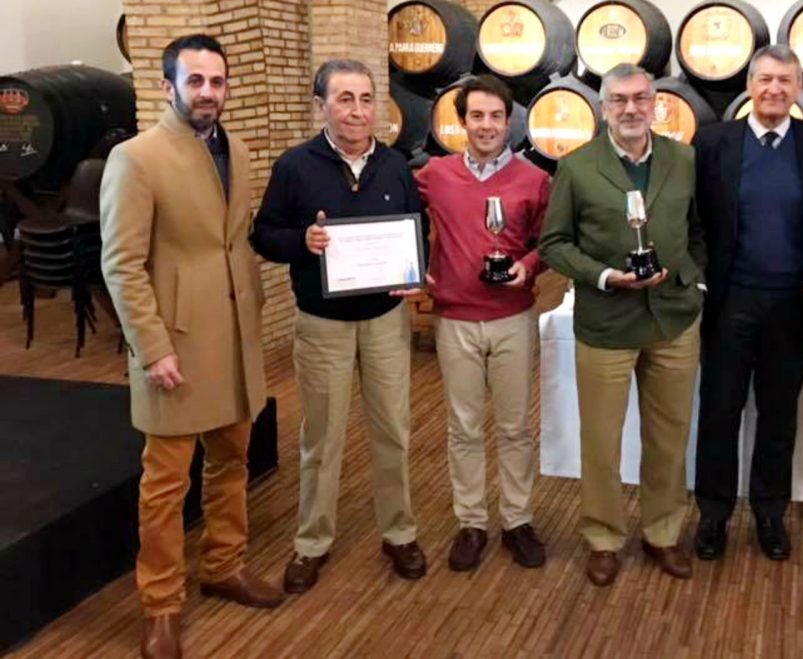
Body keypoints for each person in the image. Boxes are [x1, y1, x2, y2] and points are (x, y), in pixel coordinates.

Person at [100, 33, 281, 659]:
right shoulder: (137, 158)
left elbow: (235, 242)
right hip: (174, 344)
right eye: (196, 81)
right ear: (167, 85)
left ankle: (224, 565)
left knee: (233, 464)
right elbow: (122, 265)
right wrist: (151, 348)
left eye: (218, 81)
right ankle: (160, 605)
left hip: (234, 339)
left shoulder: (239, 148)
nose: (209, 92)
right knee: (165, 484)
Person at [251, 59, 430, 595]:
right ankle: (312, 542)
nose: (358, 110)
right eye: (345, 98)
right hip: (322, 323)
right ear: (321, 105)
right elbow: (264, 235)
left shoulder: (396, 164)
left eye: (366, 98)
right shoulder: (295, 166)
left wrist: (413, 271)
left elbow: (416, 225)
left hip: (383, 322)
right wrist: (300, 241)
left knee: (393, 432)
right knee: (322, 438)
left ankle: (399, 532)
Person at [540, 63, 706, 587]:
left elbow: (699, 230)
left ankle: (662, 533)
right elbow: (555, 244)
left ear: (656, 102)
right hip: (607, 320)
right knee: (602, 439)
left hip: (673, 318)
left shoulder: (683, 159)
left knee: (669, 436)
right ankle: (603, 537)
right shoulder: (578, 167)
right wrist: (606, 276)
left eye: (640, 98)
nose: (631, 109)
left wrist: (690, 278)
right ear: (604, 106)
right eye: (619, 100)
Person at [691, 45, 803, 562]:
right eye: (765, 79)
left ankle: (769, 514)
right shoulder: (714, 141)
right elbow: (694, 220)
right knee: (719, 413)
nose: (774, 89)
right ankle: (713, 516)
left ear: (800, 87)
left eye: (785, 80)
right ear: (750, 86)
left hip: (795, 307)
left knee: (779, 417)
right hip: (730, 301)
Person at [415, 75, 550, 572]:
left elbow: (547, 243)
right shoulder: (435, 175)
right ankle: (471, 521)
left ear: (508, 119)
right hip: (454, 319)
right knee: (464, 427)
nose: (487, 125)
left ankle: (518, 520)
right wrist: (414, 265)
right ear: (463, 120)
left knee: (515, 427)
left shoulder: (535, 179)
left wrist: (528, 266)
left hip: (512, 316)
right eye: (477, 115)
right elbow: (400, 216)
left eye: (496, 116)